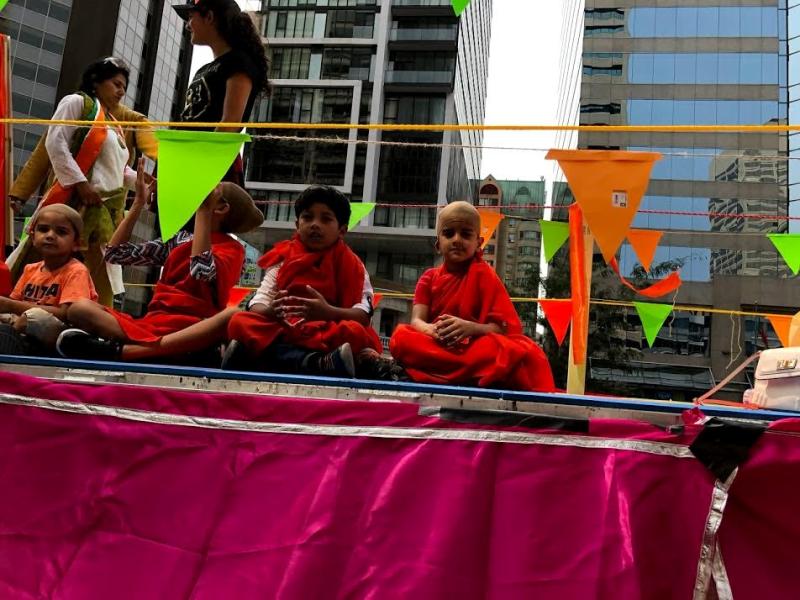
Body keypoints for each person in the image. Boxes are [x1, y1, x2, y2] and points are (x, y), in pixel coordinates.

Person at [54, 159, 263, 363]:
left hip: (193, 327)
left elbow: (201, 270)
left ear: (221, 208)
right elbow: (115, 254)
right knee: (79, 309)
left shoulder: (234, 250)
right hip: (154, 322)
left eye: (208, 192)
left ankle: (124, 352)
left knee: (232, 315)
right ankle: (149, 350)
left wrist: (202, 211)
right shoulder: (180, 239)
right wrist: (137, 204)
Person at [7, 57, 157, 307]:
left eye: (124, 87)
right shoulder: (78, 103)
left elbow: (116, 171)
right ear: (96, 82)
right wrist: (80, 183)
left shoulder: (117, 124)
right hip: (73, 204)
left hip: (104, 214)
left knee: (99, 276)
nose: (121, 91)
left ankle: (89, 326)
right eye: (116, 84)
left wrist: (142, 182)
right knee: (46, 258)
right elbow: (54, 143)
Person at [388, 201, 555, 392]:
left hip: (471, 348)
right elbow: (417, 320)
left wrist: (470, 328)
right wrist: (431, 330)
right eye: (449, 233)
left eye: (466, 234)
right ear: (438, 244)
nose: (457, 240)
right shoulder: (428, 278)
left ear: (478, 243)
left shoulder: (485, 275)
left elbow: (502, 329)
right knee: (401, 337)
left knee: (514, 350)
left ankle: (438, 373)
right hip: (436, 344)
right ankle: (468, 375)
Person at [223, 185, 382, 378]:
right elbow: (258, 302)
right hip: (284, 327)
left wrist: (327, 311)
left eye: (326, 219)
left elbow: (363, 313)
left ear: (342, 230)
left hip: (327, 329)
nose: (315, 224)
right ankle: (317, 363)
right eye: (308, 217)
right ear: (297, 225)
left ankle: (258, 360)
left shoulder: (354, 265)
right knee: (239, 322)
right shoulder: (282, 258)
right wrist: (271, 312)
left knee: (355, 332)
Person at [173, 0, 271, 185]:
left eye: (191, 17)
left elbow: (230, 123)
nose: (188, 25)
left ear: (209, 17)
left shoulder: (239, 62)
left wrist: (200, 167)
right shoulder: (203, 69)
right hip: (184, 159)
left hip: (212, 166)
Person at [0, 205, 96, 354]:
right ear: (32, 237)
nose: (50, 235)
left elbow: (66, 315)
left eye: (61, 232)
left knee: (34, 317)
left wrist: (11, 306)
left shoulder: (76, 271)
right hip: (22, 325)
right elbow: (13, 306)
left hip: (57, 332)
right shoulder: (30, 269)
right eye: (43, 229)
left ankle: (13, 341)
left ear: (77, 244)